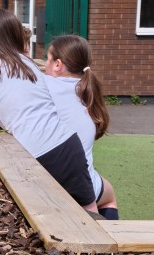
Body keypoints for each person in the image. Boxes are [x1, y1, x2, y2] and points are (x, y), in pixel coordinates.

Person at [0, 10, 100, 216]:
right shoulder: (28, 63)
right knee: (90, 213)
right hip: (68, 144)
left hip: (35, 153)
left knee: (54, 217)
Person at [44, 34, 119, 220]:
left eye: (47, 59)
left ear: (57, 64)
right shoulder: (86, 91)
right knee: (109, 196)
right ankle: (114, 233)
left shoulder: (44, 85)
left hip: (55, 179)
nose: (45, 64)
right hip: (84, 184)